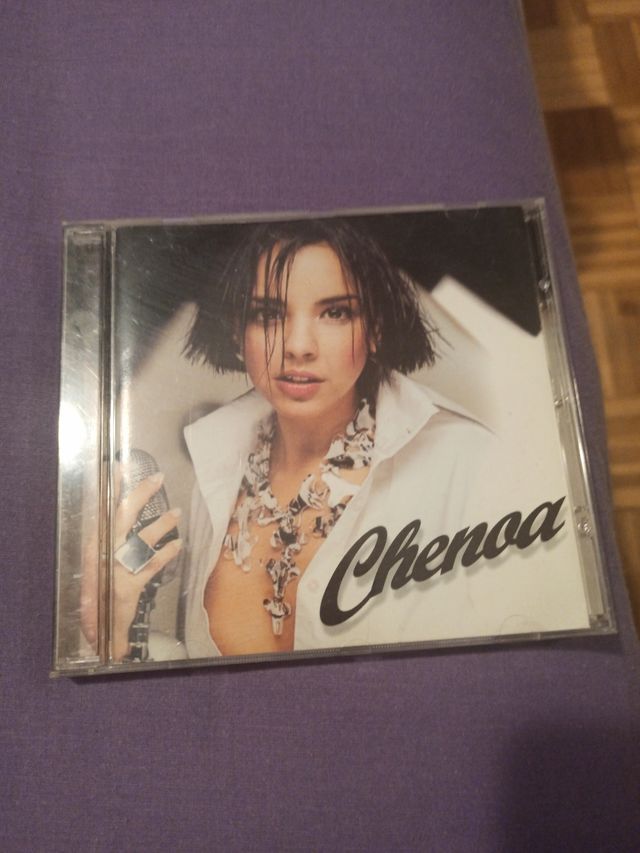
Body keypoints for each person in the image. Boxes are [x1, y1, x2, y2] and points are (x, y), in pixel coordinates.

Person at [106, 218, 493, 662]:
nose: (298, 346)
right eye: (268, 315)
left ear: (376, 327)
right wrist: (118, 638)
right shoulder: (216, 472)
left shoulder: (465, 461)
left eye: (335, 312)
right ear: (236, 331)